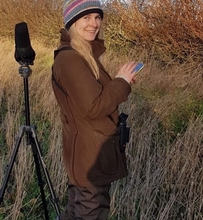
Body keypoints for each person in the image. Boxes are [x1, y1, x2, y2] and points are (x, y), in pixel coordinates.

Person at [51, 0, 138, 219]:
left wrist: (121, 81)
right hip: (90, 157)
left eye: (97, 17)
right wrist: (122, 82)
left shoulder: (83, 55)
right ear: (72, 22)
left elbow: (90, 99)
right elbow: (93, 106)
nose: (94, 24)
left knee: (75, 210)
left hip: (89, 153)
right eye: (86, 18)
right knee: (91, 212)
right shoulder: (71, 59)